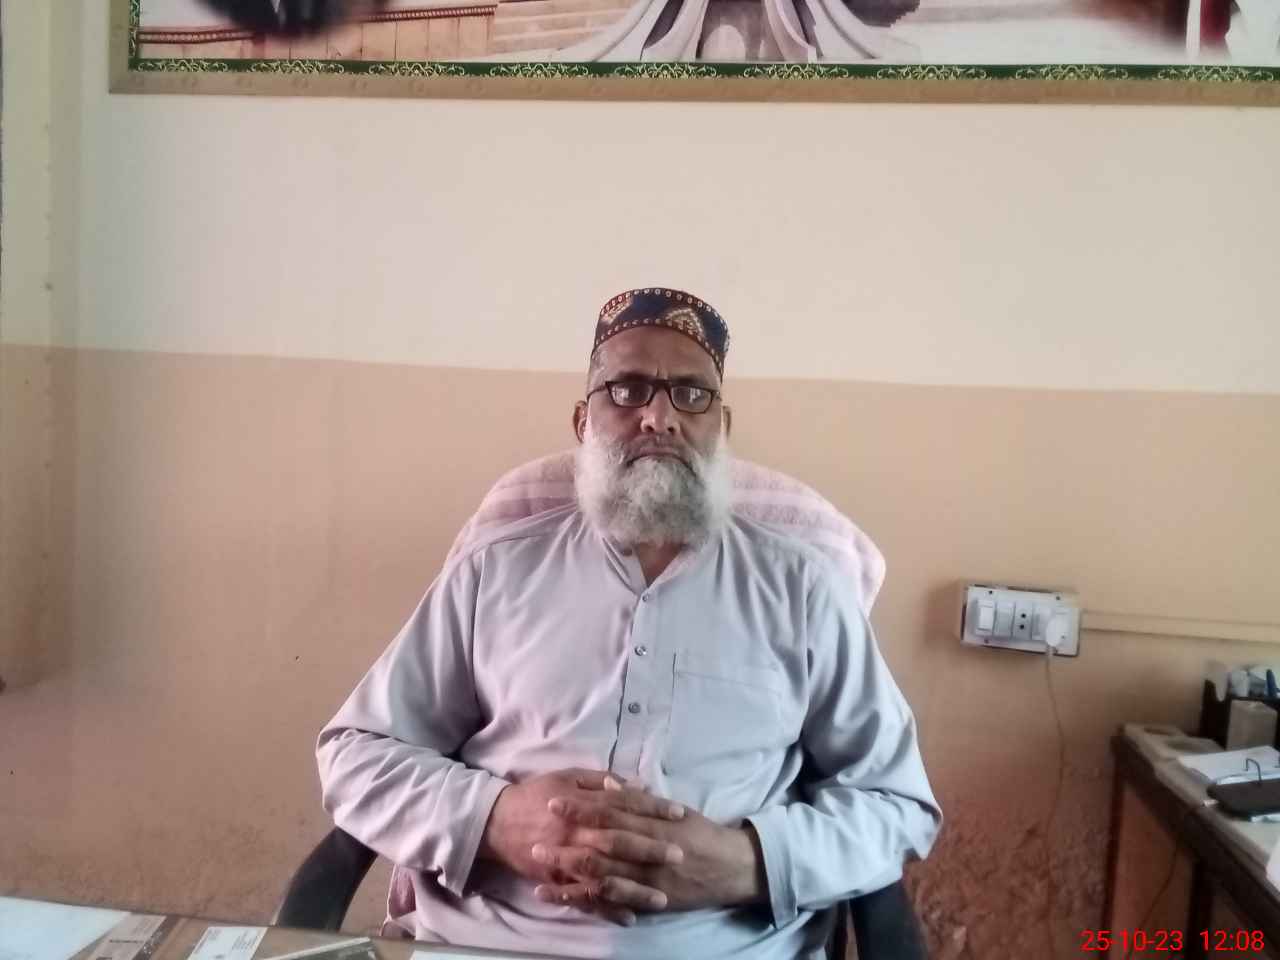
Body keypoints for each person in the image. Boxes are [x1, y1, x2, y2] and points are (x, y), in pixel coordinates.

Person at [316, 287, 941, 959]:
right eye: (628, 389)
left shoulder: (803, 589)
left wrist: (749, 862)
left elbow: (896, 803)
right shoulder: (492, 571)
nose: (659, 418)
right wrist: (493, 819)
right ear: (582, 421)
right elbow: (355, 755)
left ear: (722, 427)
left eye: (691, 395)